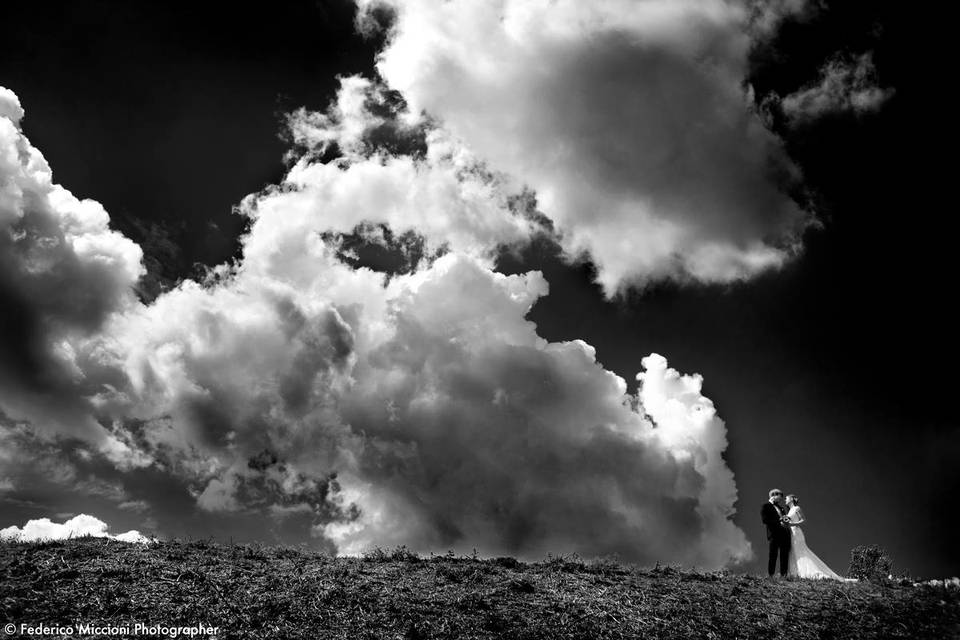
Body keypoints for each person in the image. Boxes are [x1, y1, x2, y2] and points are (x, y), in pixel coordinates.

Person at [783, 494, 847, 580]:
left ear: (791, 499)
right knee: (793, 551)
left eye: (786, 498)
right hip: (791, 533)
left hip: (797, 532)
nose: (785, 500)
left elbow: (803, 520)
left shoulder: (796, 508)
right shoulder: (789, 511)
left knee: (800, 551)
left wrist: (792, 524)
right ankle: (796, 573)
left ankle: (806, 573)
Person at [761, 488, 791, 577]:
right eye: (779, 497)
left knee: (784, 555)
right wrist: (779, 522)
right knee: (773, 555)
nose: (780, 500)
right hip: (774, 533)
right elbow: (765, 520)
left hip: (784, 534)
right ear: (774, 495)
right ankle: (771, 575)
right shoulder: (765, 506)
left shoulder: (781, 508)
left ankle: (783, 575)